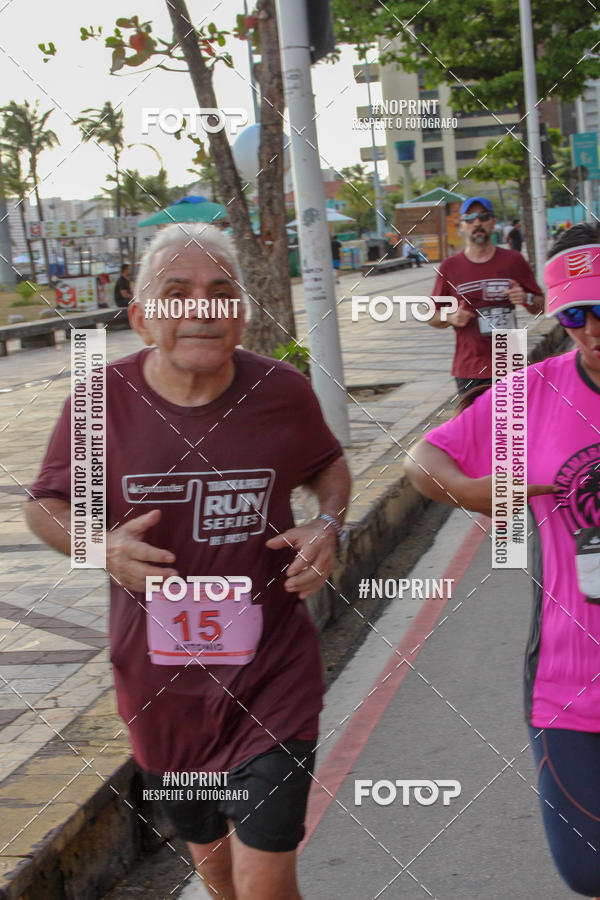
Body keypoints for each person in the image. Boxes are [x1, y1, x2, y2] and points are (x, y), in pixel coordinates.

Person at [25, 224, 352, 900]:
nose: (201, 309)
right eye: (176, 293)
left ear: (241, 314)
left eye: (221, 293)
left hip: (273, 680)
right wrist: (98, 545)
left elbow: (329, 466)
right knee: (216, 866)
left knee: (264, 880)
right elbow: (46, 504)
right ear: (141, 317)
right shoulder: (99, 403)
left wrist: (327, 523)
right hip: (161, 694)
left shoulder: (281, 390)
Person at [406, 221, 600, 897]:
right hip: (570, 680)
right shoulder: (535, 393)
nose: (592, 330)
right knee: (588, 869)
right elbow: (423, 459)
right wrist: (470, 491)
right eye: (574, 316)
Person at [427, 196, 545, 395]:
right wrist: (451, 317)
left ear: (493, 222)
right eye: (469, 218)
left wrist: (526, 298)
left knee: (511, 417)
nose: (477, 223)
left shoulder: (513, 260)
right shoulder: (450, 267)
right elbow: (431, 315)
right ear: (461, 226)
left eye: (483, 217)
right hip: (469, 368)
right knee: (474, 418)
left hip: (509, 364)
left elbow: (542, 306)